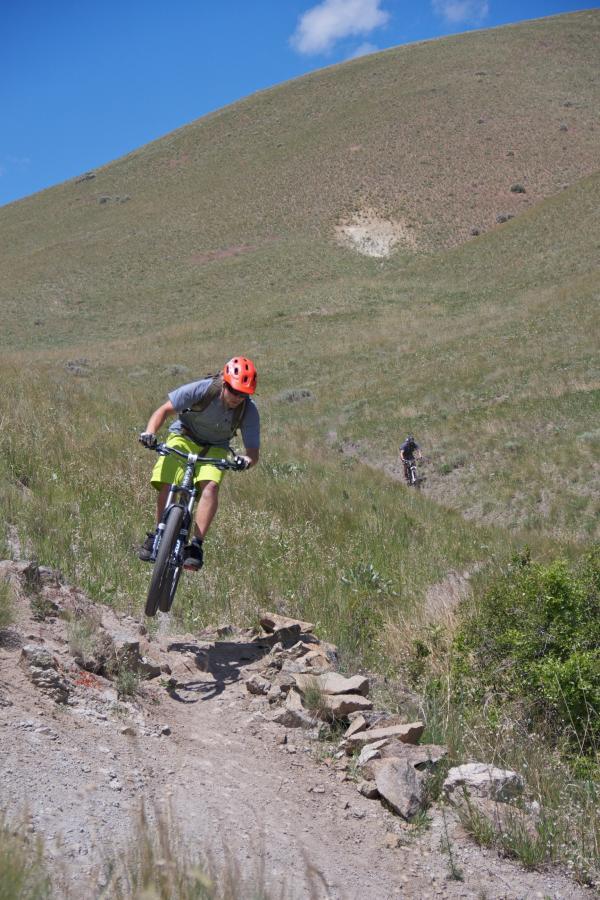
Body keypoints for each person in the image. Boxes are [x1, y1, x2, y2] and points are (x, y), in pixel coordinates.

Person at [138, 356, 260, 571]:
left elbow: (253, 453)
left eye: (243, 394)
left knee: (210, 486)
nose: (237, 398)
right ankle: (159, 533)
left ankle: (195, 546)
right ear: (224, 382)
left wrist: (245, 460)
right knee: (168, 483)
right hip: (184, 436)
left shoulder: (249, 411)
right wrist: (149, 433)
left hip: (216, 447)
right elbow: (164, 410)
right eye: (234, 391)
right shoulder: (203, 390)